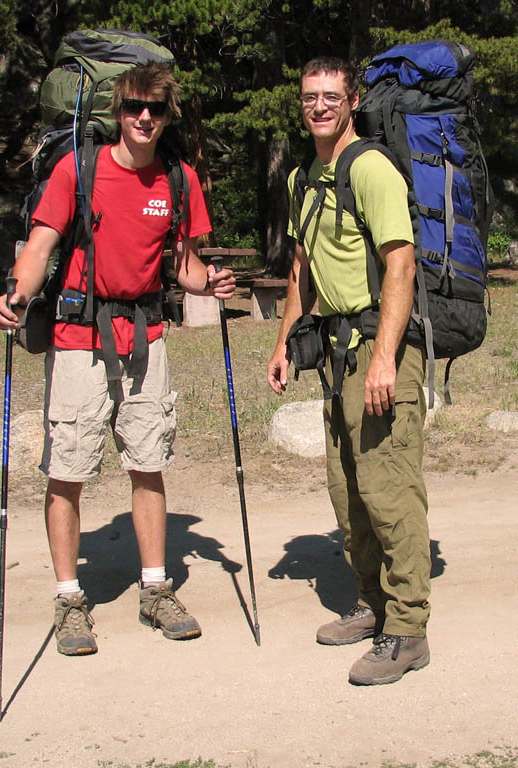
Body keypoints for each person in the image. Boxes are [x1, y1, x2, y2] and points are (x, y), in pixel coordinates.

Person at [0, 62, 235, 656]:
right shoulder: (81, 170)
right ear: (116, 113)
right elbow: (43, 245)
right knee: (68, 467)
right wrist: (16, 294)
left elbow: (181, 262)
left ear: (167, 115)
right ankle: (70, 599)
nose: (143, 118)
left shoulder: (179, 180)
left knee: (149, 460)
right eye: (132, 107)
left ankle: (156, 590)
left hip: (147, 334)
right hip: (79, 335)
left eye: (154, 108)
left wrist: (212, 283)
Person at [267, 57, 431, 685]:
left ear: (353, 100)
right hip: (335, 357)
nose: (319, 107)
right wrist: (284, 344)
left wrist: (387, 355)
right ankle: (374, 604)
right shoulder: (303, 176)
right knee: (349, 492)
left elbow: (400, 264)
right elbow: (301, 271)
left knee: (390, 492)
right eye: (310, 96)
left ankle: (408, 629)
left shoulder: (370, 168)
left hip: (378, 351)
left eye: (331, 96)